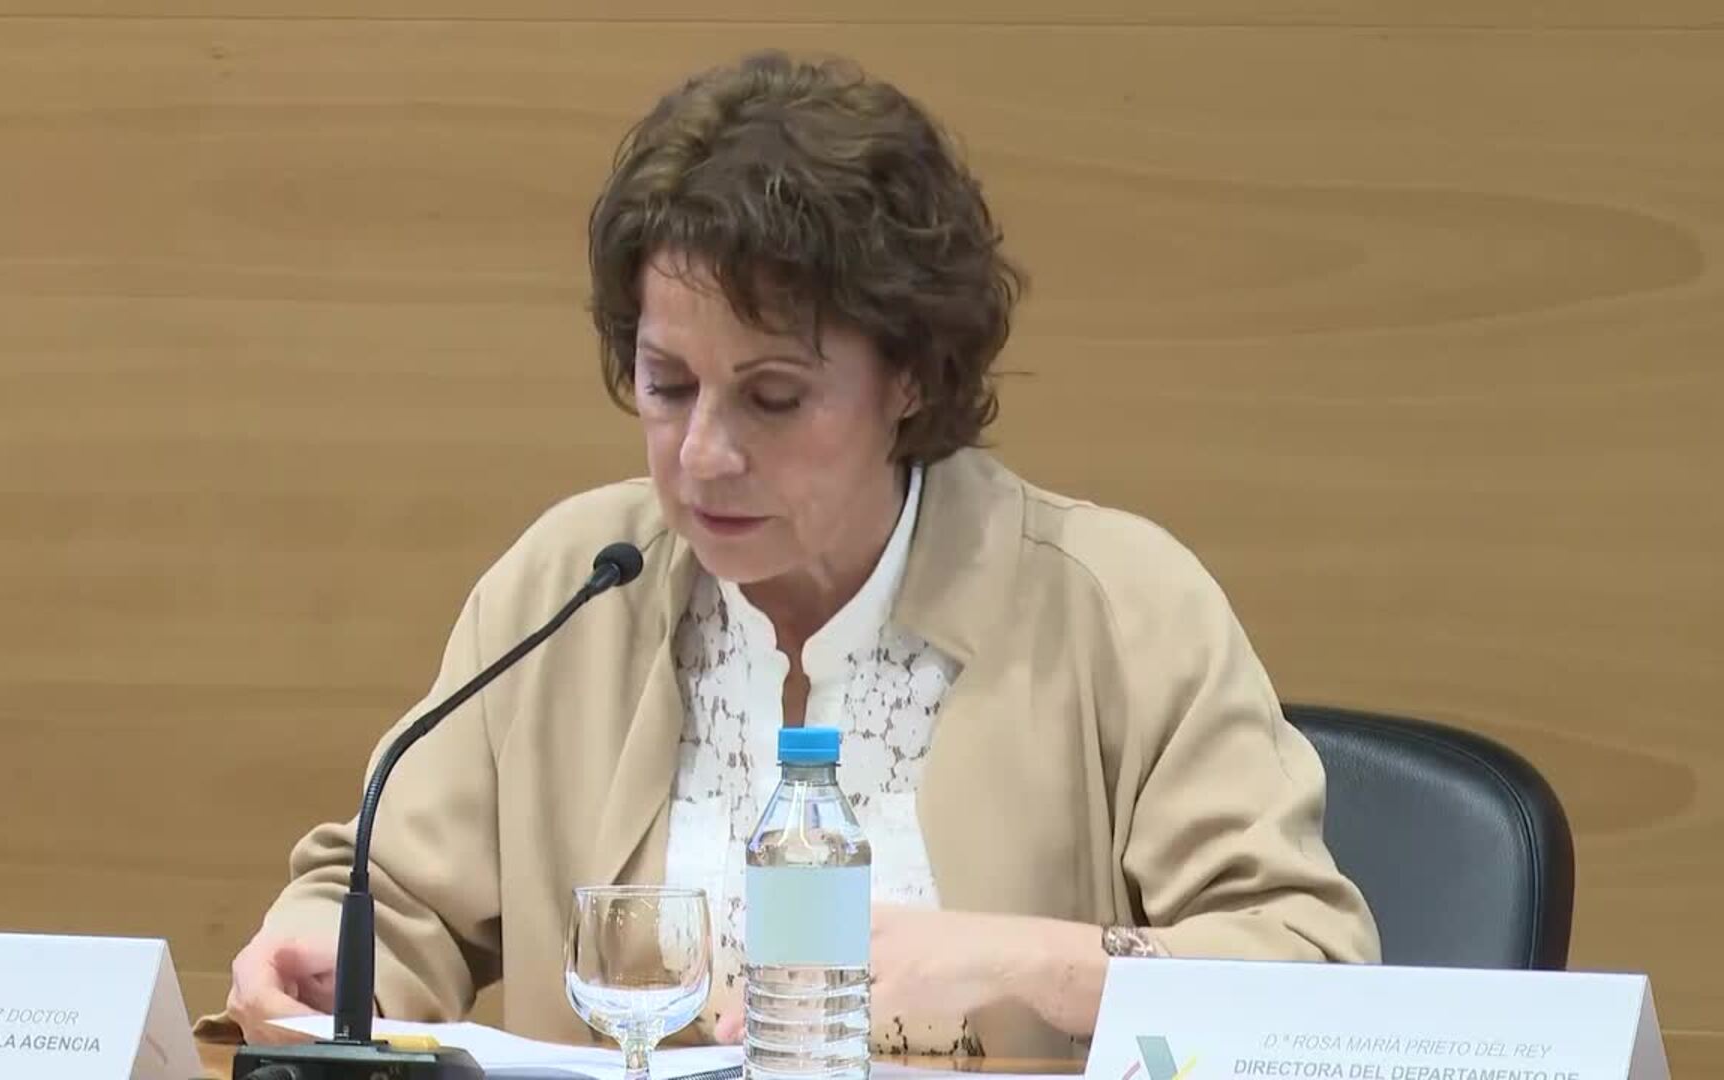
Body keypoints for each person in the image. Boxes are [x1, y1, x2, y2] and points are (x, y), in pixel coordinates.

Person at [218, 50, 1379, 1060]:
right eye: (667, 386)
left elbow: (1314, 970)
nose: (704, 455)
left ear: (910, 377)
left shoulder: (1116, 606)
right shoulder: (572, 583)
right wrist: (330, 962)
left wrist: (1024, 964)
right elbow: (392, 900)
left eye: (773, 396)